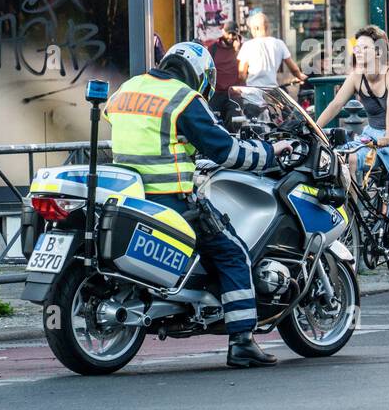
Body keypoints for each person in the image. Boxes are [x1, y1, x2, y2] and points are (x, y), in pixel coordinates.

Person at [106, 42, 293, 368]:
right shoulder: (183, 98)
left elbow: (131, 125)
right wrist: (270, 152)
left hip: (129, 197)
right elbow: (225, 151)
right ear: (199, 74)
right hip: (170, 199)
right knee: (232, 251)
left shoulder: (127, 88)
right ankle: (242, 341)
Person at [316, 27, 389, 296]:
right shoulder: (357, 76)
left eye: (365, 47)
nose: (358, 50)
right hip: (371, 135)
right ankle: (353, 213)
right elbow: (336, 105)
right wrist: (313, 128)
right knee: (345, 161)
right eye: (357, 46)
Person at [237, 11, 305, 90]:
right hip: (272, 92)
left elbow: (241, 74)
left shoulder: (248, 45)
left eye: (251, 29)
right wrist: (300, 77)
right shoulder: (279, 43)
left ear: (256, 28)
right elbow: (294, 69)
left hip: (253, 93)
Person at [202, 21, 242, 125]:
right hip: (216, 93)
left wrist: (237, 51)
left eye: (234, 34)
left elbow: (243, 69)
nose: (231, 36)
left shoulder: (242, 48)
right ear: (223, 32)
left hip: (234, 94)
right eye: (228, 33)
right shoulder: (213, 48)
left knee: (234, 123)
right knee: (213, 122)